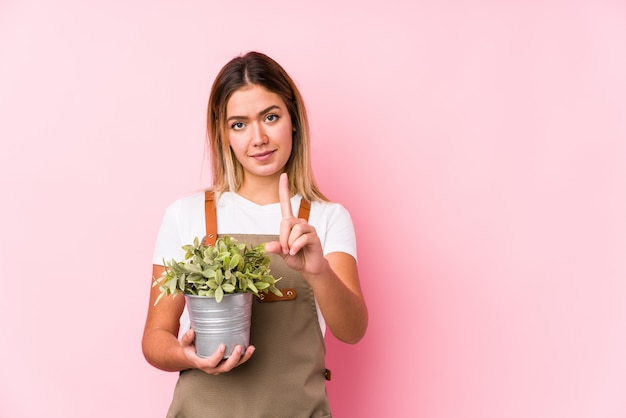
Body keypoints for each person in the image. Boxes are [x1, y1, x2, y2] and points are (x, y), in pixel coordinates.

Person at [142, 51, 368, 417]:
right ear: (223, 132)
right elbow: (155, 338)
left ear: (293, 120)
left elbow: (353, 330)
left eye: (271, 117)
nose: (258, 138)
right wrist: (187, 357)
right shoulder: (187, 215)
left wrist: (317, 270)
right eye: (239, 124)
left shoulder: (327, 218)